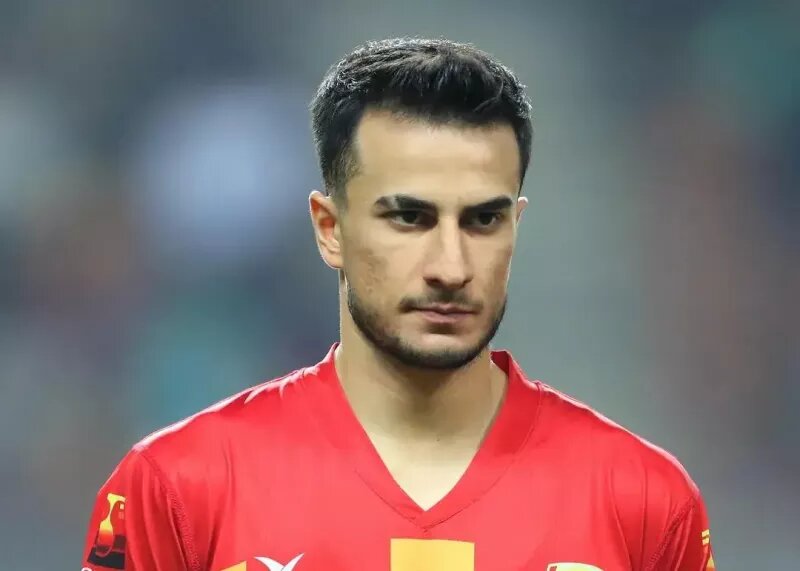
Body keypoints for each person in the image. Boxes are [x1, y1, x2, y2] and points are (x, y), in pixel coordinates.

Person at [81, 38, 716, 571]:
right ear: (330, 229)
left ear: (517, 227)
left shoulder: (643, 503)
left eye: (484, 220)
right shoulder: (179, 489)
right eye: (410, 218)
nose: (451, 267)